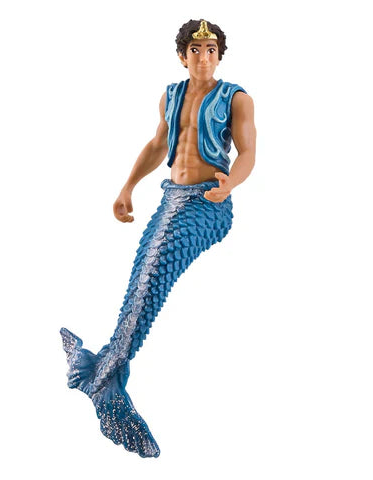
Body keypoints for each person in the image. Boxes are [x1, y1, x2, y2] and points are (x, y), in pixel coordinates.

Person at [60, 19, 256, 458]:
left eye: (211, 49)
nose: (203, 57)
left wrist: (231, 184)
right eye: (195, 50)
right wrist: (127, 187)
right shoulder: (171, 94)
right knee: (142, 283)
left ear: (220, 55)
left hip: (208, 204)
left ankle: (101, 376)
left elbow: (248, 153)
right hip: (172, 198)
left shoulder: (237, 98)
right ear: (183, 56)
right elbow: (157, 144)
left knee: (151, 277)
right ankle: (104, 373)